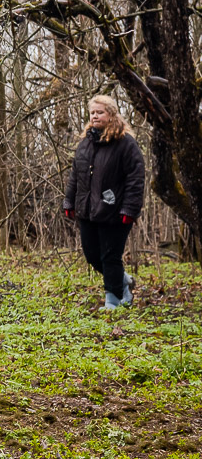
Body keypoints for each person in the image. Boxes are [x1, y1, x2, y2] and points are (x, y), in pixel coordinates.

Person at [64, 94, 145, 310]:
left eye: (100, 112)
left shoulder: (125, 143)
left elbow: (136, 178)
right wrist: (69, 203)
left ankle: (114, 301)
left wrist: (129, 209)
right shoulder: (85, 143)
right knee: (92, 255)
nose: (95, 116)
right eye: (92, 112)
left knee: (110, 256)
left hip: (116, 211)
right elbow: (75, 176)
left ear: (111, 115)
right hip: (88, 210)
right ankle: (123, 280)